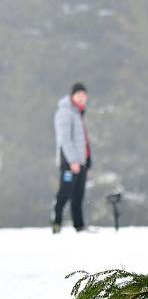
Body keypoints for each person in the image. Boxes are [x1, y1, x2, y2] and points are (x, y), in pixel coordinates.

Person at [51, 82, 91, 233]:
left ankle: (79, 225)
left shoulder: (79, 113)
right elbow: (65, 139)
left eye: (84, 95)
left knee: (78, 195)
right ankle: (56, 222)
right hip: (68, 162)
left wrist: (87, 162)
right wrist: (72, 160)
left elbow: (84, 141)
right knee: (65, 192)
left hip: (81, 161)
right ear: (72, 96)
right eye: (78, 95)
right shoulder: (65, 112)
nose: (81, 98)